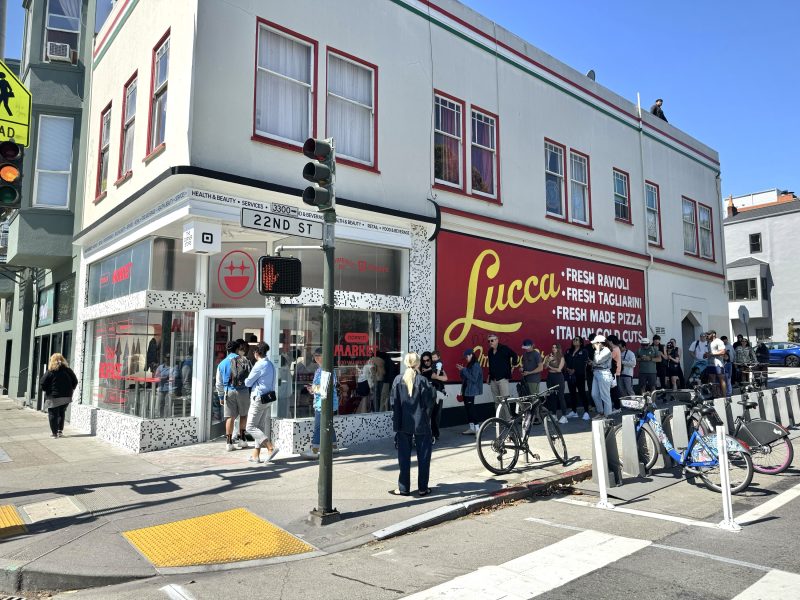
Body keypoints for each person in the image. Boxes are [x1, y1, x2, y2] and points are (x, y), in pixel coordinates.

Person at [390, 352, 434, 497]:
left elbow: (393, 403)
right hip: (420, 422)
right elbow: (429, 402)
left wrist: (396, 420)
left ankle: (404, 488)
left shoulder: (398, 379)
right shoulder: (422, 380)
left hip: (403, 422)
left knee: (403, 457)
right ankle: (423, 488)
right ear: (418, 364)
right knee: (424, 456)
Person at [244, 342, 280, 464]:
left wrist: (246, 380)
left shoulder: (259, 365)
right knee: (258, 426)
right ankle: (256, 455)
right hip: (267, 398)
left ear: (257, 353)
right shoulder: (269, 364)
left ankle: (270, 447)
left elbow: (248, 382)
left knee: (250, 427)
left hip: (258, 398)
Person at [215, 340, 252, 451]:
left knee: (230, 417)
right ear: (237, 349)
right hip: (243, 391)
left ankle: (229, 442)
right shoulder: (244, 360)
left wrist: (221, 396)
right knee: (243, 415)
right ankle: (242, 439)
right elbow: (251, 378)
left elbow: (218, 382)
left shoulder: (222, 363)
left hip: (228, 391)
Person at [304, 347, 339, 458]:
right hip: (321, 401)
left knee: (318, 426)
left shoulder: (327, 370)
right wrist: (313, 389)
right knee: (328, 424)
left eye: (319, 355)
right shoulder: (319, 370)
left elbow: (325, 388)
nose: (317, 358)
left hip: (324, 403)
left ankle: (314, 450)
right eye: (315, 356)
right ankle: (334, 446)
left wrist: (314, 389)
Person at [39, 353, 78, 438]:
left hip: (53, 396)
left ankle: (54, 433)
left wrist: (46, 390)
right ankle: (60, 431)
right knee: (61, 412)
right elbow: (75, 381)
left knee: (53, 414)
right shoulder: (68, 370)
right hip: (66, 396)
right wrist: (71, 389)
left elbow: (42, 382)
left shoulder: (51, 371)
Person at [486, 334, 517, 417]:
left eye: (492, 340)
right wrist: (489, 376)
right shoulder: (490, 352)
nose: (490, 342)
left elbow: (514, 355)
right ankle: (499, 420)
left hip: (503, 379)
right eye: (489, 341)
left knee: (505, 400)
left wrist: (513, 366)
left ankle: (508, 420)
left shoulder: (504, 348)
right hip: (493, 379)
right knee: (496, 401)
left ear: (497, 340)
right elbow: (491, 365)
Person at [456, 348, 483, 434]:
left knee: (471, 410)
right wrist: (461, 371)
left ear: (471, 355)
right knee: (468, 409)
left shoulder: (475, 365)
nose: (466, 358)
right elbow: (464, 377)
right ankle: (472, 428)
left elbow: (474, 379)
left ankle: (478, 429)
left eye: (467, 356)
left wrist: (464, 370)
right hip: (466, 389)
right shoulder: (469, 365)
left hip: (471, 390)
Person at [564, 337, 590, 421]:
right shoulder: (569, 351)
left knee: (582, 393)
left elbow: (583, 363)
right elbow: (565, 361)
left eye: (576, 340)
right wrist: (567, 369)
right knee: (572, 393)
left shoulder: (584, 351)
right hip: (570, 375)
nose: (574, 341)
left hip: (579, 375)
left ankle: (586, 412)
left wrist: (574, 370)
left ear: (581, 342)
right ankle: (574, 411)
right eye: (574, 340)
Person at [544, 344, 568, 424]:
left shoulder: (561, 357)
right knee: (552, 396)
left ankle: (564, 416)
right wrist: (548, 361)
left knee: (561, 396)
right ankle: (554, 415)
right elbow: (544, 367)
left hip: (558, 377)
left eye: (555, 347)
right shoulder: (548, 356)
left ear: (558, 349)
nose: (554, 349)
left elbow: (558, 370)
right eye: (553, 347)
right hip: (550, 377)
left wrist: (550, 367)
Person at [590, 336, 613, 417]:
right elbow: (595, 362)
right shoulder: (599, 351)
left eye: (595, 343)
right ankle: (601, 412)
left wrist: (597, 350)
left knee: (605, 396)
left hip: (604, 374)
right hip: (596, 373)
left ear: (599, 343)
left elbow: (598, 360)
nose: (593, 345)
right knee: (594, 394)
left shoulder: (607, 350)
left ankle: (607, 416)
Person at [429, 350, 448, 443]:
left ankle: (435, 434)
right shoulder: (430, 367)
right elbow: (434, 376)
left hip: (439, 391)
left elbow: (445, 378)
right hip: (431, 392)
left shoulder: (438, 365)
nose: (432, 360)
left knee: (437, 414)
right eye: (432, 358)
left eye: (434, 358)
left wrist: (437, 376)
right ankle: (432, 433)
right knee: (432, 414)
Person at [705, 330, 727, 399]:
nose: (707, 336)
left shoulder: (719, 341)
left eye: (708, 334)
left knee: (721, 380)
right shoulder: (708, 342)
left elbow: (723, 352)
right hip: (710, 364)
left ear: (713, 334)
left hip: (718, 364)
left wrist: (712, 353)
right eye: (707, 335)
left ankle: (724, 396)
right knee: (712, 380)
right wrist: (706, 355)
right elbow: (709, 353)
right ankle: (714, 395)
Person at [606, 335, 622, 412]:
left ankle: (617, 407)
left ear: (611, 341)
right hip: (614, 372)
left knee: (614, 391)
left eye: (608, 341)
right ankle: (616, 407)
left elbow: (607, 358)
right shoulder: (616, 348)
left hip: (614, 373)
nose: (607, 343)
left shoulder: (615, 349)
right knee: (614, 390)